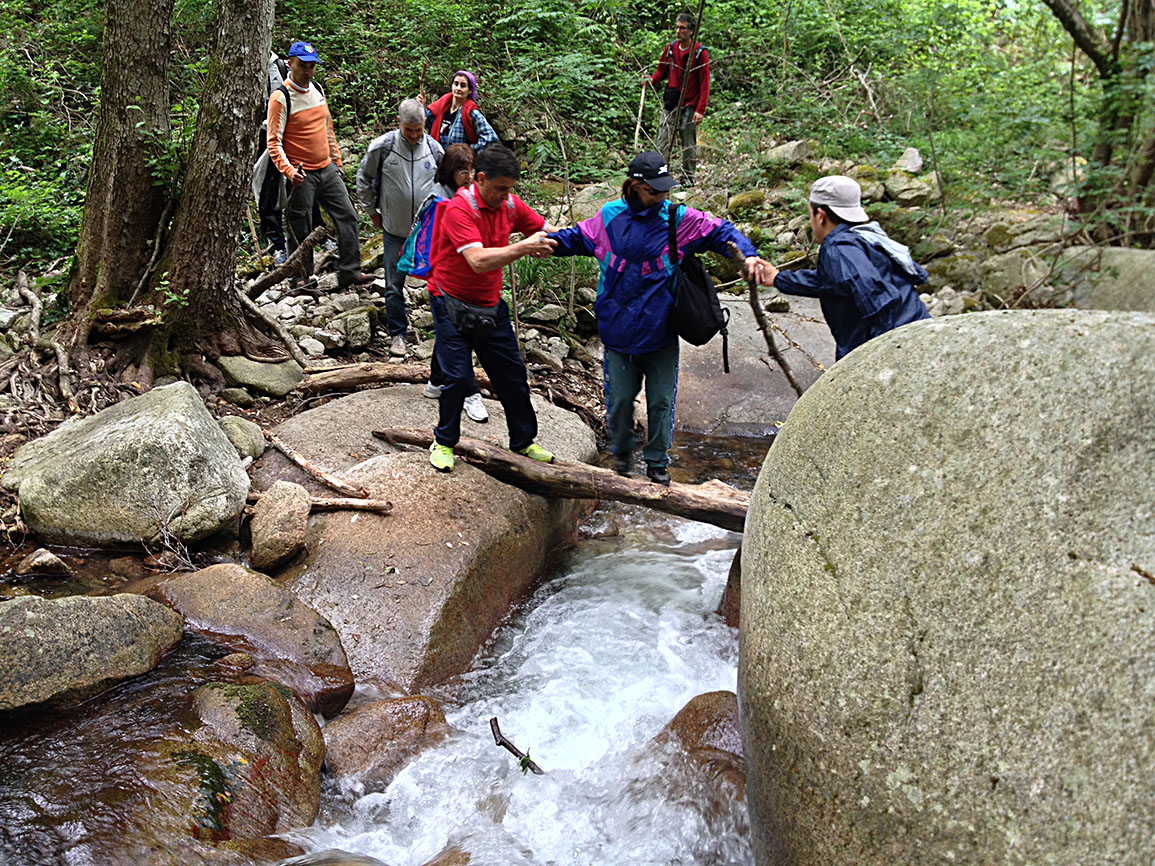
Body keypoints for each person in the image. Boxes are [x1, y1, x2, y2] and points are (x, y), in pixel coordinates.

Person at [547, 152, 769, 485]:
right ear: (634, 186)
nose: (661, 196)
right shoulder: (609, 216)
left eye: (665, 189)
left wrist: (747, 254)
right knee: (620, 400)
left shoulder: (677, 219)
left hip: (661, 328)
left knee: (661, 401)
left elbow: (721, 231)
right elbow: (578, 238)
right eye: (654, 190)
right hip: (617, 330)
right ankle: (621, 454)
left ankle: (657, 464)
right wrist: (547, 242)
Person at [425, 144, 557, 472]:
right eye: (501, 188)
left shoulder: (509, 204)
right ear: (480, 179)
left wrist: (591, 244)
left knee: (512, 374)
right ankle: (443, 442)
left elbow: (545, 230)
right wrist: (524, 247)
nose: (506, 195)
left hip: (488, 306)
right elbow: (478, 260)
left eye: (510, 189)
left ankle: (523, 441)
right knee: (456, 377)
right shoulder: (458, 209)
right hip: (450, 302)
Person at [761, 175, 931, 360]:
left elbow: (876, 297)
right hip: (919, 331)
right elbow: (832, 282)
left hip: (898, 349)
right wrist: (778, 278)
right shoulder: (866, 237)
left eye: (810, 215)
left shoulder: (838, 249)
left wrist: (869, 360)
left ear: (820, 215)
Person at [267, 41, 375, 289]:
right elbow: (273, 142)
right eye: (302, 66)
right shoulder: (281, 98)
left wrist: (336, 161)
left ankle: (350, 271)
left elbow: (327, 129)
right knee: (300, 225)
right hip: (301, 173)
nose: (307, 71)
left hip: (326, 168)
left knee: (348, 216)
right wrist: (289, 171)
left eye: (312, 66)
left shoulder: (317, 89)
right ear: (290, 64)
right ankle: (299, 277)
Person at [357, 99, 444, 357]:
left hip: (427, 232)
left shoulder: (435, 149)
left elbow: (446, 186)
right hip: (394, 228)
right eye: (409, 130)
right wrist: (372, 211)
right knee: (394, 285)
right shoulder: (383, 147)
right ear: (399, 124)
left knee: (438, 282)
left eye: (419, 130)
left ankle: (444, 333)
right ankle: (398, 334)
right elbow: (364, 178)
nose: (415, 135)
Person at [417, 144, 488, 423]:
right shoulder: (439, 201)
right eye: (462, 171)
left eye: (472, 170)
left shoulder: (466, 195)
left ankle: (436, 380)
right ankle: (471, 394)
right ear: (450, 172)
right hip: (444, 283)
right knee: (460, 339)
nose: (469, 176)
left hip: (461, 281)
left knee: (449, 336)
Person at [255, 50, 329, 266]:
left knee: (303, 182)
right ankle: (277, 243)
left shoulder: (276, 65)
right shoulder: (241, 63)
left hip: (286, 132)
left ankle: (317, 233)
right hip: (263, 135)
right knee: (269, 190)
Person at [645, 13, 710, 185]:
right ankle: (659, 176)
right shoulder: (671, 49)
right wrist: (651, 81)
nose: (678, 31)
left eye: (682, 28)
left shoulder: (699, 53)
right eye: (677, 27)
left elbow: (705, 83)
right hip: (671, 102)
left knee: (688, 143)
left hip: (690, 105)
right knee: (662, 139)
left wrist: (700, 110)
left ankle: (687, 178)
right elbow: (661, 70)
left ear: (691, 31)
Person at [425, 71, 499, 154]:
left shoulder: (471, 112)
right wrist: (421, 106)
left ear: (470, 90)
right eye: (456, 84)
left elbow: (491, 139)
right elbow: (423, 122)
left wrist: (468, 150)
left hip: (460, 162)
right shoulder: (441, 106)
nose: (458, 88)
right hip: (438, 160)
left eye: (463, 85)